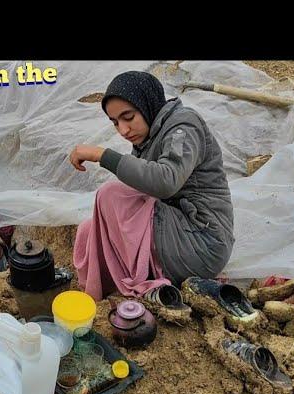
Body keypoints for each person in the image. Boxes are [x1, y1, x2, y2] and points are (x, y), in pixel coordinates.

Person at [69, 71, 234, 304]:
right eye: (116, 123)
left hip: (202, 241)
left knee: (110, 194)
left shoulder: (183, 126)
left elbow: (166, 181)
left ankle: (139, 283)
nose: (123, 130)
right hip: (175, 232)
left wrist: (101, 155)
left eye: (129, 117)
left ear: (148, 104)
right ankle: (101, 295)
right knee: (89, 230)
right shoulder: (148, 137)